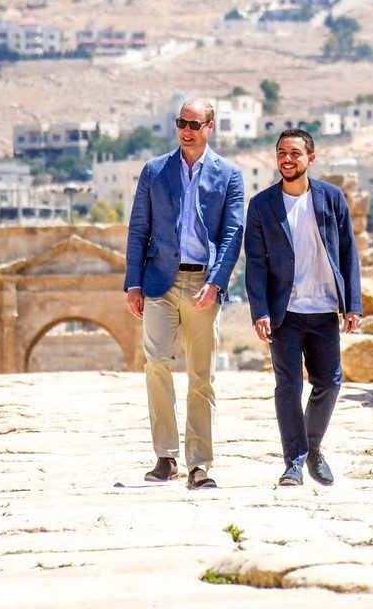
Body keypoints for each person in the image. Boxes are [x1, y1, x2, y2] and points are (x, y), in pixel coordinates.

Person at [124, 98, 245, 489]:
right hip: (160, 280)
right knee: (156, 362)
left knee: (201, 375)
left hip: (202, 285)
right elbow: (138, 228)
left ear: (211, 126)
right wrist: (133, 283)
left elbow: (232, 233)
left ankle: (200, 464)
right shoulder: (154, 171)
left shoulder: (230, 175)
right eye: (181, 122)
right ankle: (165, 456)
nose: (186, 130)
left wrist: (217, 281)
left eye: (194, 123)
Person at [244, 128, 362, 486]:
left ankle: (311, 448)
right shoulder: (262, 205)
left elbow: (347, 252)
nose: (287, 159)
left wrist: (352, 303)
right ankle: (293, 462)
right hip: (285, 313)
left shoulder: (331, 198)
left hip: (325, 308)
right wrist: (259, 310)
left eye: (295, 153)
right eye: (282, 152)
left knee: (330, 381)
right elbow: (256, 263)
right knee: (288, 385)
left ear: (311, 158)